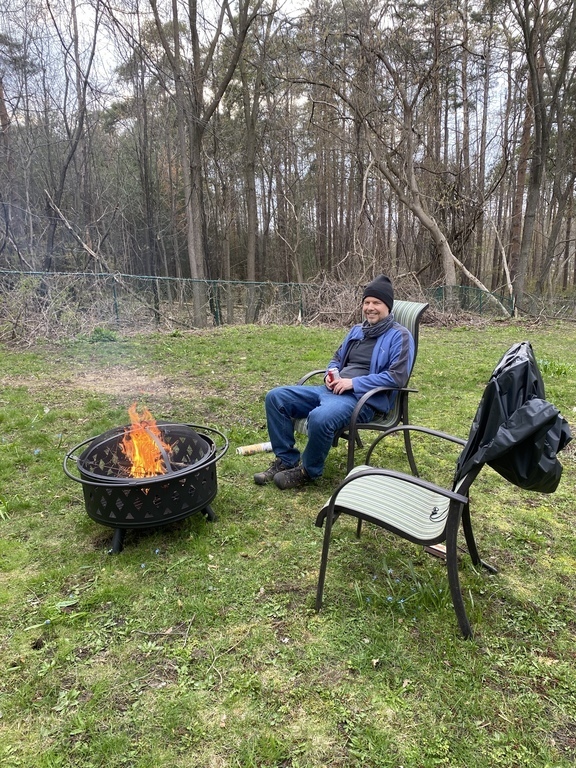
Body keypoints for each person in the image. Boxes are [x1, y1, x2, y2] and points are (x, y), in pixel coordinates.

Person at [254, 275, 415, 490]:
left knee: (320, 417)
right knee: (276, 397)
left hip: (363, 399)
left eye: (376, 303)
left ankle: (307, 471)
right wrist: (332, 374)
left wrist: (353, 383)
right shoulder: (357, 330)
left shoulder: (400, 336)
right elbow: (336, 359)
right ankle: (286, 460)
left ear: (388, 306)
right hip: (332, 390)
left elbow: (397, 376)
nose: (370, 307)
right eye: (366, 302)